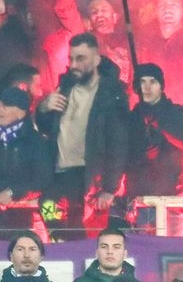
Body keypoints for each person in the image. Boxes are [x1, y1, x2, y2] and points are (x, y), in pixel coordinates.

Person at [37, 33, 129, 237]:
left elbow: (118, 142)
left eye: (80, 58)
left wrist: (110, 186)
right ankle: (64, 246)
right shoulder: (65, 86)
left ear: (96, 60)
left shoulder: (111, 93)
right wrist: (43, 108)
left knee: (84, 235)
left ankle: (71, 252)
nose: (74, 65)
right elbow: (47, 128)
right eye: (71, 59)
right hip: (60, 171)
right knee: (47, 203)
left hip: (90, 176)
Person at [0, 86, 51, 234]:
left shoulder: (35, 141)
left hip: (22, 217)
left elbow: (43, 179)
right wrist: (0, 190)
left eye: (5, 106)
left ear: (21, 113)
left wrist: (12, 192)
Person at [126, 63, 183, 200]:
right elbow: (122, 156)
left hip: (171, 194)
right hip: (138, 195)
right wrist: (142, 155)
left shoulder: (178, 112)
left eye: (153, 82)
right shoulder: (132, 118)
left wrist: (157, 122)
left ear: (161, 86)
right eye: (142, 82)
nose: (147, 87)